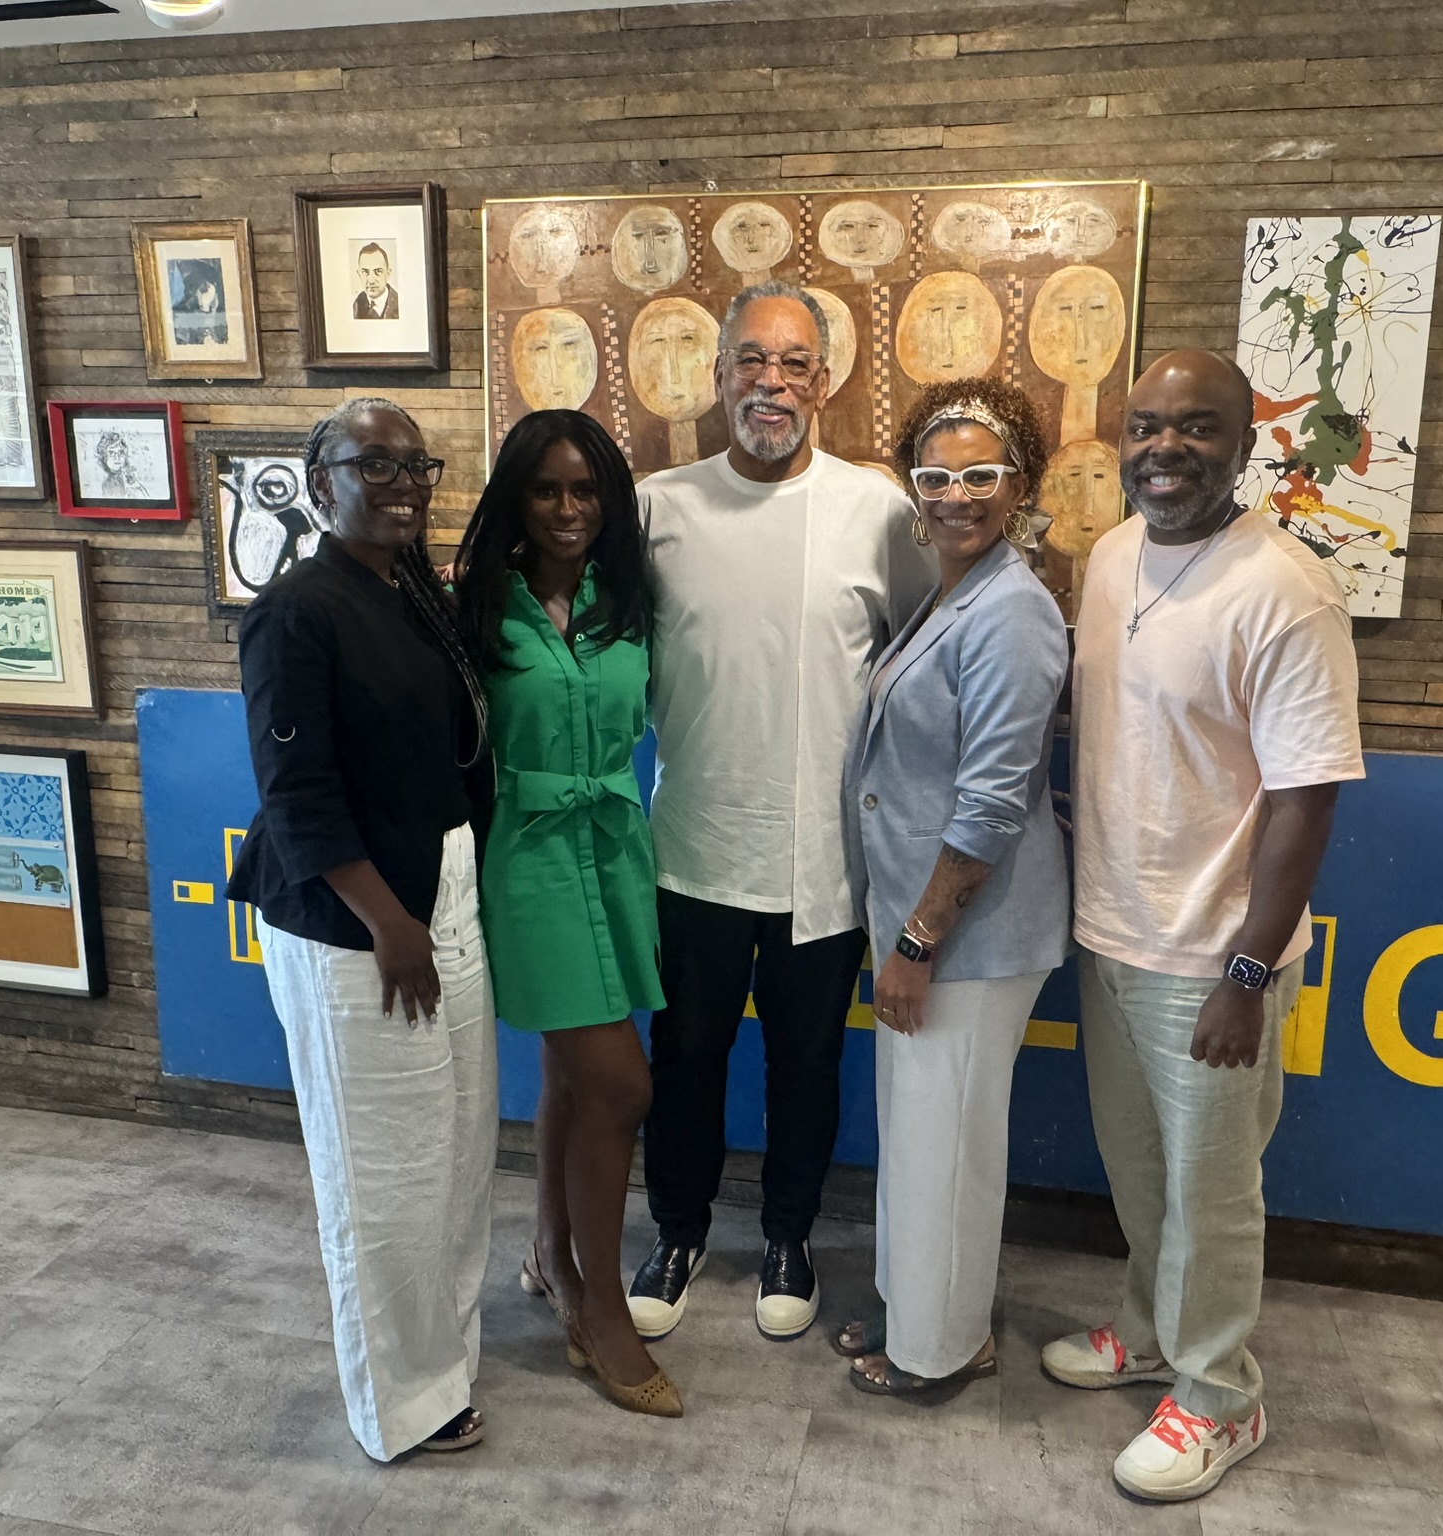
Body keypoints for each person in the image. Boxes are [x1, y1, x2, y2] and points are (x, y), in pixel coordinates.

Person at [1042, 350, 1363, 1502]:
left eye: (1194, 428)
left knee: (1214, 1191)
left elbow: (1305, 794)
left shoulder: (1284, 587)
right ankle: (1146, 1325)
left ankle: (1222, 1396)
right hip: (1110, 929)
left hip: (1212, 958)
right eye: (1144, 425)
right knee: (1139, 1172)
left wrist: (1243, 968)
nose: (1162, 447)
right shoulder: (1113, 554)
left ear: (1244, 445)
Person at [632, 280, 932, 1343]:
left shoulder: (879, 510)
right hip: (691, 852)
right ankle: (674, 1230)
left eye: (795, 362)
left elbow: (927, 654)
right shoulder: (656, 506)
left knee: (805, 1069)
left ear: (825, 381)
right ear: (716, 380)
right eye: (750, 360)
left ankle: (790, 1235)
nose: (772, 381)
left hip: (826, 863)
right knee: (684, 1062)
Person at [226, 397, 497, 1462]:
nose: (399, 484)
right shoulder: (295, 611)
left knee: (459, 1154)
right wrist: (387, 922)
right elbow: (295, 791)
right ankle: (403, 1403)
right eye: (371, 464)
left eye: (414, 466)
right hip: (358, 925)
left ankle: (449, 1356)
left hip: (444, 896)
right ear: (318, 478)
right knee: (381, 1174)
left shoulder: (411, 590)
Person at [835, 379, 1069, 1397]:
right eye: (935, 475)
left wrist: (919, 942)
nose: (956, 494)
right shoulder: (954, 591)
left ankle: (937, 1350)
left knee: (946, 1145)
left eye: (981, 475)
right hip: (927, 925)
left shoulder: (1013, 611)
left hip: (964, 937)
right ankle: (917, 1310)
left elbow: (989, 806)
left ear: (1018, 486)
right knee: (924, 1133)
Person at [452, 409, 680, 1419]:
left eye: (586, 489)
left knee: (571, 1075)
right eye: (546, 488)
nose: (568, 508)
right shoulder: (476, 607)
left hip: (616, 846)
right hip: (530, 854)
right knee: (620, 1087)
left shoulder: (625, 599)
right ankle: (598, 1310)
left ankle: (550, 1250)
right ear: (515, 497)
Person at [354, 243, 401, 320]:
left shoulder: (400, 305)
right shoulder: (356, 306)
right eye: (365, 272)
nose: (371, 281)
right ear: (359, 274)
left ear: (388, 274)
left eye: (378, 271)